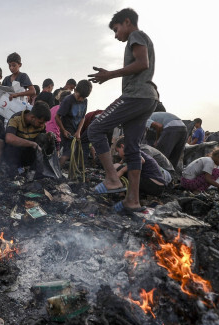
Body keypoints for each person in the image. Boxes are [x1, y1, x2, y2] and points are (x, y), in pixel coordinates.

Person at [87, 8, 159, 214]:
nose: (116, 35)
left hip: (136, 95)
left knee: (95, 129)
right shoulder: (142, 38)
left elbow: (142, 63)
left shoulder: (136, 36)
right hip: (148, 98)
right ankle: (132, 201)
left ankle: (112, 179)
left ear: (127, 22)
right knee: (132, 148)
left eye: (116, 29)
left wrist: (110, 74)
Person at [4, 101, 52, 169]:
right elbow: (9, 138)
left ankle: (36, 169)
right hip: (15, 155)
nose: (42, 125)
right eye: (40, 122)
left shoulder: (41, 125)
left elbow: (42, 139)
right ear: (32, 117)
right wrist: (32, 144)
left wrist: (48, 137)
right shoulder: (16, 119)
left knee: (46, 138)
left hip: (29, 155)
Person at [55, 80, 93, 166]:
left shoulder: (85, 101)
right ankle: (56, 172)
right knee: (67, 153)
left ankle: (71, 174)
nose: (80, 99)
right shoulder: (68, 100)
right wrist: (63, 130)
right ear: (75, 90)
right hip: (67, 130)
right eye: (79, 96)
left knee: (75, 153)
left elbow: (83, 117)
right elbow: (57, 117)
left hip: (76, 130)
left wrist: (78, 131)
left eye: (83, 98)